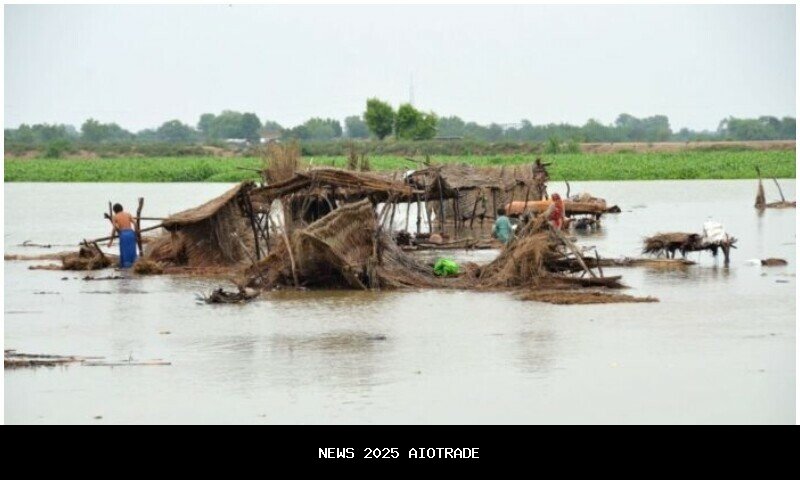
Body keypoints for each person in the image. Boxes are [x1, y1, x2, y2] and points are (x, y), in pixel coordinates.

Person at [108, 203, 138, 268]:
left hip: (123, 234)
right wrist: (135, 233)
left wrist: (111, 241)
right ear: (122, 208)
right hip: (131, 233)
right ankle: (134, 265)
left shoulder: (115, 217)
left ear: (114, 211)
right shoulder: (128, 214)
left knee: (124, 251)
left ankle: (125, 267)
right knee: (132, 250)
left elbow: (115, 228)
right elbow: (135, 223)